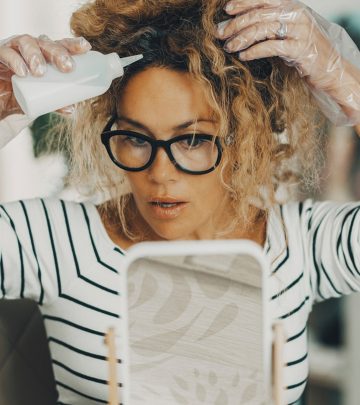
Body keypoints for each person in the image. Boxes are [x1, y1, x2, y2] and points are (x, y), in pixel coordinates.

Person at [0, 0, 360, 404]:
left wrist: (347, 83)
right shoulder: (52, 242)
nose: (160, 173)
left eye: (192, 140)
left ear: (246, 137)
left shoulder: (301, 244)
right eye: (136, 138)